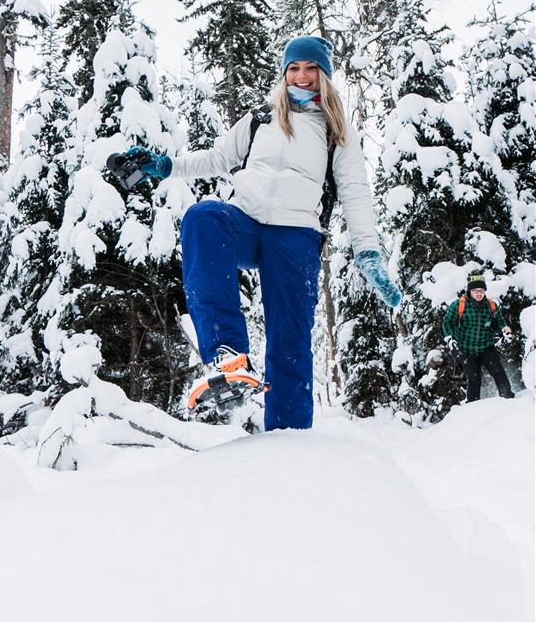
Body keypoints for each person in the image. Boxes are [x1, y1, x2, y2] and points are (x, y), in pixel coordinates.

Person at [108, 35, 401, 431]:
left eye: (311, 69)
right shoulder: (260, 118)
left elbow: (354, 191)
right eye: (294, 68)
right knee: (203, 217)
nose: (302, 76)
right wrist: (164, 166)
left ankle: (289, 435)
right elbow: (217, 158)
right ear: (284, 73)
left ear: (325, 76)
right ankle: (228, 354)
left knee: (290, 339)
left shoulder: (336, 133)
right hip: (246, 221)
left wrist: (368, 252)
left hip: (296, 236)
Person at [443, 270, 514, 403]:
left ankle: (509, 400)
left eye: (481, 290)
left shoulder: (491, 305)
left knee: (499, 372)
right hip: (466, 349)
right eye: (475, 290)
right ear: (469, 290)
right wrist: (450, 339)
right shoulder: (458, 305)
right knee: (474, 380)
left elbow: (499, 321)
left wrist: (504, 329)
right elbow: (447, 323)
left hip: (486, 346)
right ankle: (473, 409)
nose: (479, 293)